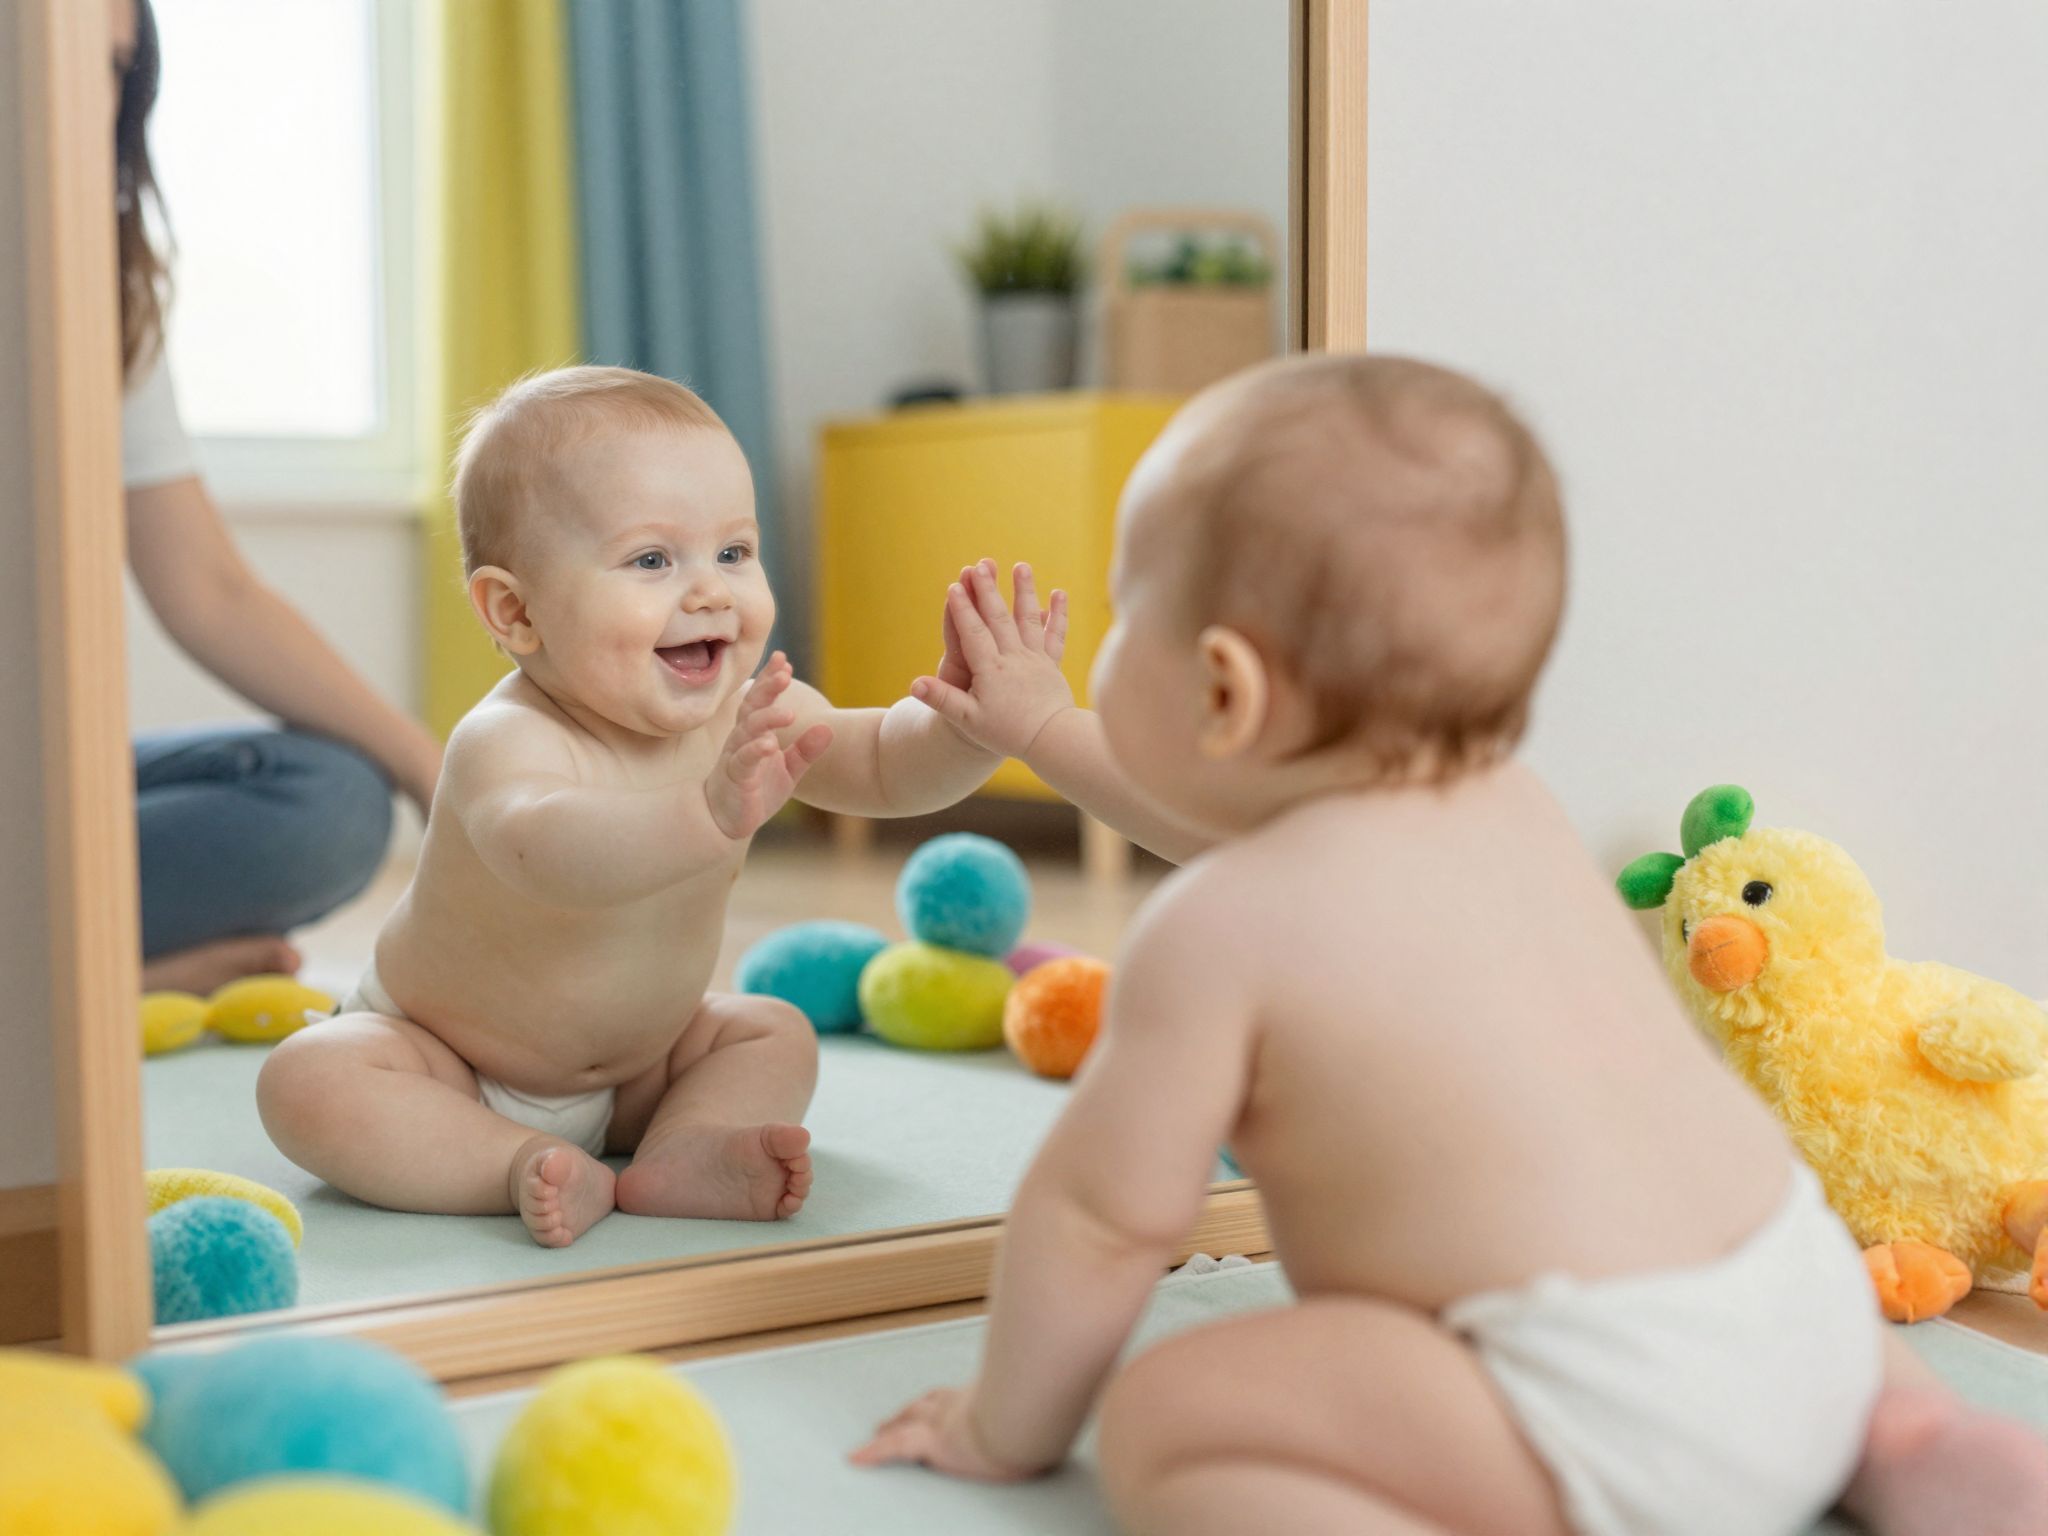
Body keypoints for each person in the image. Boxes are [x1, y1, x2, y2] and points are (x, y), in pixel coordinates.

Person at [855, 355, 2048, 1536]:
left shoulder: (1213, 933)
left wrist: (997, 1431)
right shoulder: (1511, 807)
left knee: (1166, 1413)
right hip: (1801, 1302)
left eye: (1124, 616)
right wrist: (1045, 727)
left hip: (1602, 1400)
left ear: (1224, 692)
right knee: (1866, 1407)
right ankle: (1929, 1450)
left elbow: (1104, 1221)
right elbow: (1231, 822)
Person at [256, 366, 1008, 1247]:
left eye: (734, 552)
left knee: (770, 1031)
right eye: (653, 560)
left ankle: (686, 1148)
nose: (710, 591)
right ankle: (503, 1161)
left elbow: (883, 765)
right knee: (308, 1081)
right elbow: (552, 850)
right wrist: (707, 813)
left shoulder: (746, 710)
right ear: (516, 610)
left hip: (641, 1069)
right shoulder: (509, 738)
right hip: (443, 1058)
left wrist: (966, 728)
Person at [112, 0, 440, 995]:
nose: (84, 104)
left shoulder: (103, 294)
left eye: (113, 74)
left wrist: (443, 777)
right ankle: (105, 976)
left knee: (335, 800)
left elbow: (208, 588)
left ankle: (75, 960)